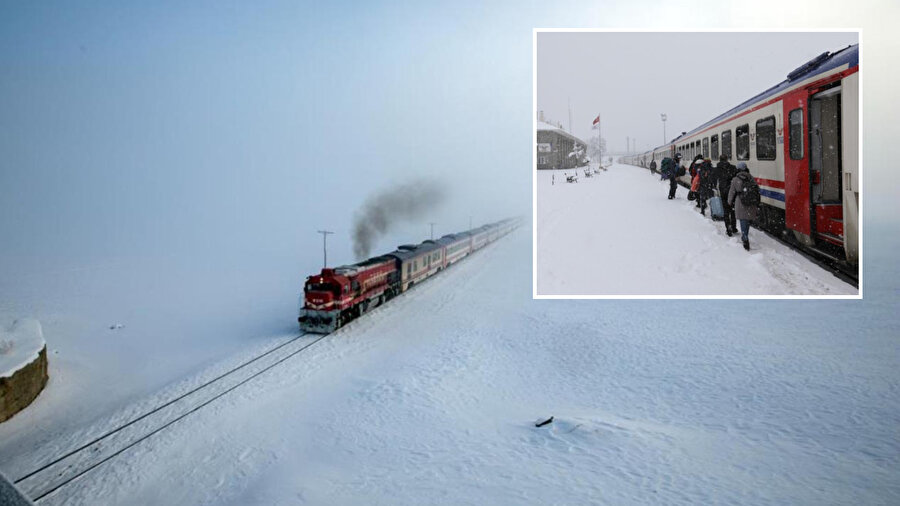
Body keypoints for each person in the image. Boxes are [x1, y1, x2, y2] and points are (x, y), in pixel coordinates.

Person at [728, 162, 760, 250]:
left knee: (743, 220)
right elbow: (757, 190)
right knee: (748, 219)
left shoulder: (735, 179)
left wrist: (729, 201)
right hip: (750, 201)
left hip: (740, 201)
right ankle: (745, 234)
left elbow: (731, 192)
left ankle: (744, 236)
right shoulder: (751, 177)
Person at [712, 154, 738, 236]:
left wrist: (715, 187)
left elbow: (714, 179)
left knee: (726, 211)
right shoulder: (733, 168)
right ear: (727, 159)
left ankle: (728, 228)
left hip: (723, 191)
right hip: (732, 191)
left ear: (720, 159)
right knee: (733, 210)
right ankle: (734, 227)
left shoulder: (716, 169)